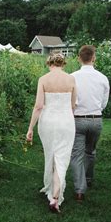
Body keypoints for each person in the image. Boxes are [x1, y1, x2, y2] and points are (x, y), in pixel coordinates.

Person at [26, 51, 76, 213]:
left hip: (48, 122)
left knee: (52, 155)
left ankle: (53, 193)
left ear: (49, 64)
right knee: (62, 157)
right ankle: (55, 197)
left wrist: (30, 128)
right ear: (63, 64)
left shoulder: (43, 79)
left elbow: (39, 106)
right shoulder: (71, 79)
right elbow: (73, 105)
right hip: (66, 121)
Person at [70, 45, 110, 202]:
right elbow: (104, 103)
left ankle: (80, 190)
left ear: (79, 58)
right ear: (93, 58)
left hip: (78, 119)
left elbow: (70, 100)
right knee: (90, 151)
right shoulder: (103, 78)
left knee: (76, 155)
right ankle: (88, 179)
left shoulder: (72, 77)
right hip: (96, 119)